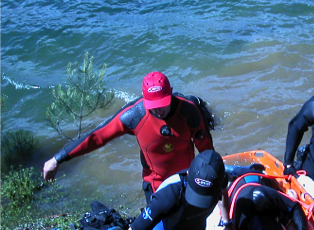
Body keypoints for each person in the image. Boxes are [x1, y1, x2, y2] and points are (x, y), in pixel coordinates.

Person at [43, 71, 215, 204]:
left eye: (163, 104)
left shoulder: (189, 111)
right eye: (153, 106)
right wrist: (58, 158)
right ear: (144, 98)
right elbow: (97, 137)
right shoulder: (135, 115)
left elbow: (207, 151)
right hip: (156, 185)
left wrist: (214, 180)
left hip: (187, 178)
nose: (159, 111)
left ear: (170, 93)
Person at [229, 173, 314, 230]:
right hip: (239, 189)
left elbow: (294, 206)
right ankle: (288, 198)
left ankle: (286, 196)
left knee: (275, 185)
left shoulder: (265, 193)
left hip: (253, 180)